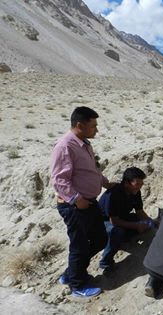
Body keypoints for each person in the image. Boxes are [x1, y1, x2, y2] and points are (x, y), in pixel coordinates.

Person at [50, 106, 114, 298]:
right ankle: (77, 285)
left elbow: (91, 170)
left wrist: (105, 183)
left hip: (88, 203)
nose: (97, 129)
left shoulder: (84, 143)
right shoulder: (65, 146)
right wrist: (77, 200)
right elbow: (59, 179)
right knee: (79, 245)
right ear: (80, 125)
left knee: (100, 239)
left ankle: (70, 274)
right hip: (74, 206)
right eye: (93, 126)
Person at [98, 167, 157, 274]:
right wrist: (136, 226)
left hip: (121, 217)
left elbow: (139, 211)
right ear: (126, 183)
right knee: (117, 231)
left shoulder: (135, 192)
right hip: (102, 223)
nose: (139, 187)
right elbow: (114, 221)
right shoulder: (114, 195)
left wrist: (151, 222)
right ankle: (106, 262)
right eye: (137, 184)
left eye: (141, 184)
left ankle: (123, 240)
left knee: (139, 221)